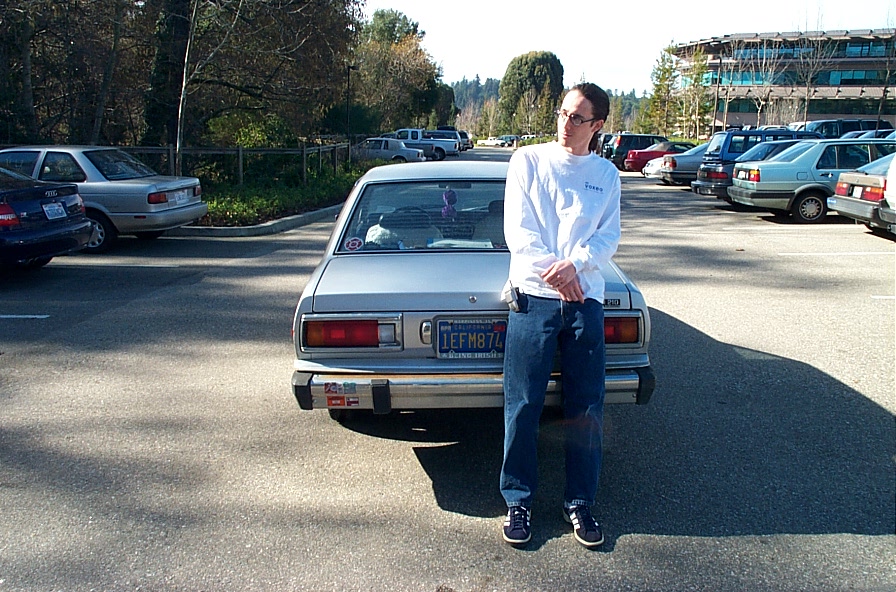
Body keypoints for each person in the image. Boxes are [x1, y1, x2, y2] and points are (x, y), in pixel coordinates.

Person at [499, 83, 620, 548]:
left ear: (598, 125)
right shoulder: (527, 162)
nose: (566, 124)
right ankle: (518, 501)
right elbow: (520, 233)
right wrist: (559, 274)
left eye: (577, 118)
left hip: (585, 301)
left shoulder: (606, 175)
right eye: (563, 113)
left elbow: (607, 237)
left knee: (586, 407)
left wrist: (577, 266)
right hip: (533, 297)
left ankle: (580, 502)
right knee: (523, 402)